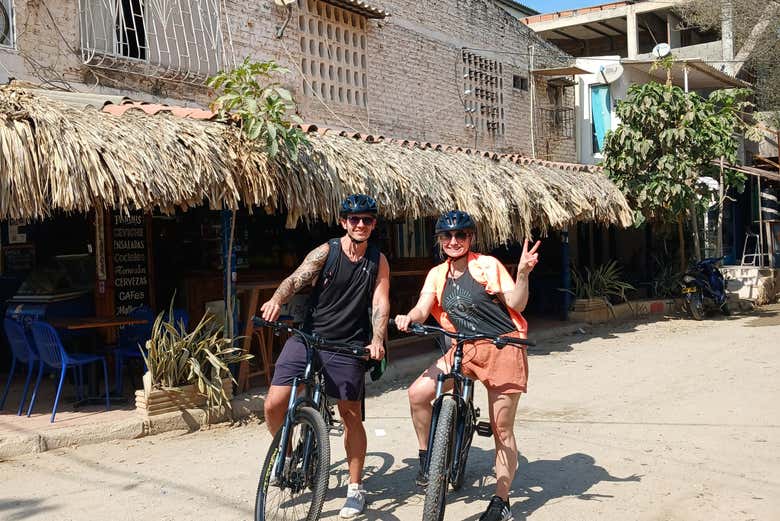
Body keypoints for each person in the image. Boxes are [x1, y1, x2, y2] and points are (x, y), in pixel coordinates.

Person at [394, 210, 540, 521]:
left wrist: (524, 273)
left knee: (501, 429)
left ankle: (501, 502)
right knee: (418, 393)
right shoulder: (437, 274)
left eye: (461, 235)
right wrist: (409, 317)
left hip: (503, 345)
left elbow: (515, 303)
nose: (453, 241)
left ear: (470, 238)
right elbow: (423, 307)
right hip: (464, 348)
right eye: (447, 236)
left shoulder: (487, 265)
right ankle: (427, 458)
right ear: (440, 241)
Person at [260, 194, 390, 519]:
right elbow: (296, 279)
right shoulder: (327, 251)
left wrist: (376, 339)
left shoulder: (378, 260)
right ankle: (287, 455)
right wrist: (277, 299)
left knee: (350, 414)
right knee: (274, 403)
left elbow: (380, 302)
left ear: (373, 224)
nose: (360, 224)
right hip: (309, 336)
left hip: (348, 343)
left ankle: (356, 488)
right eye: (354, 219)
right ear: (343, 222)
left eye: (367, 220)